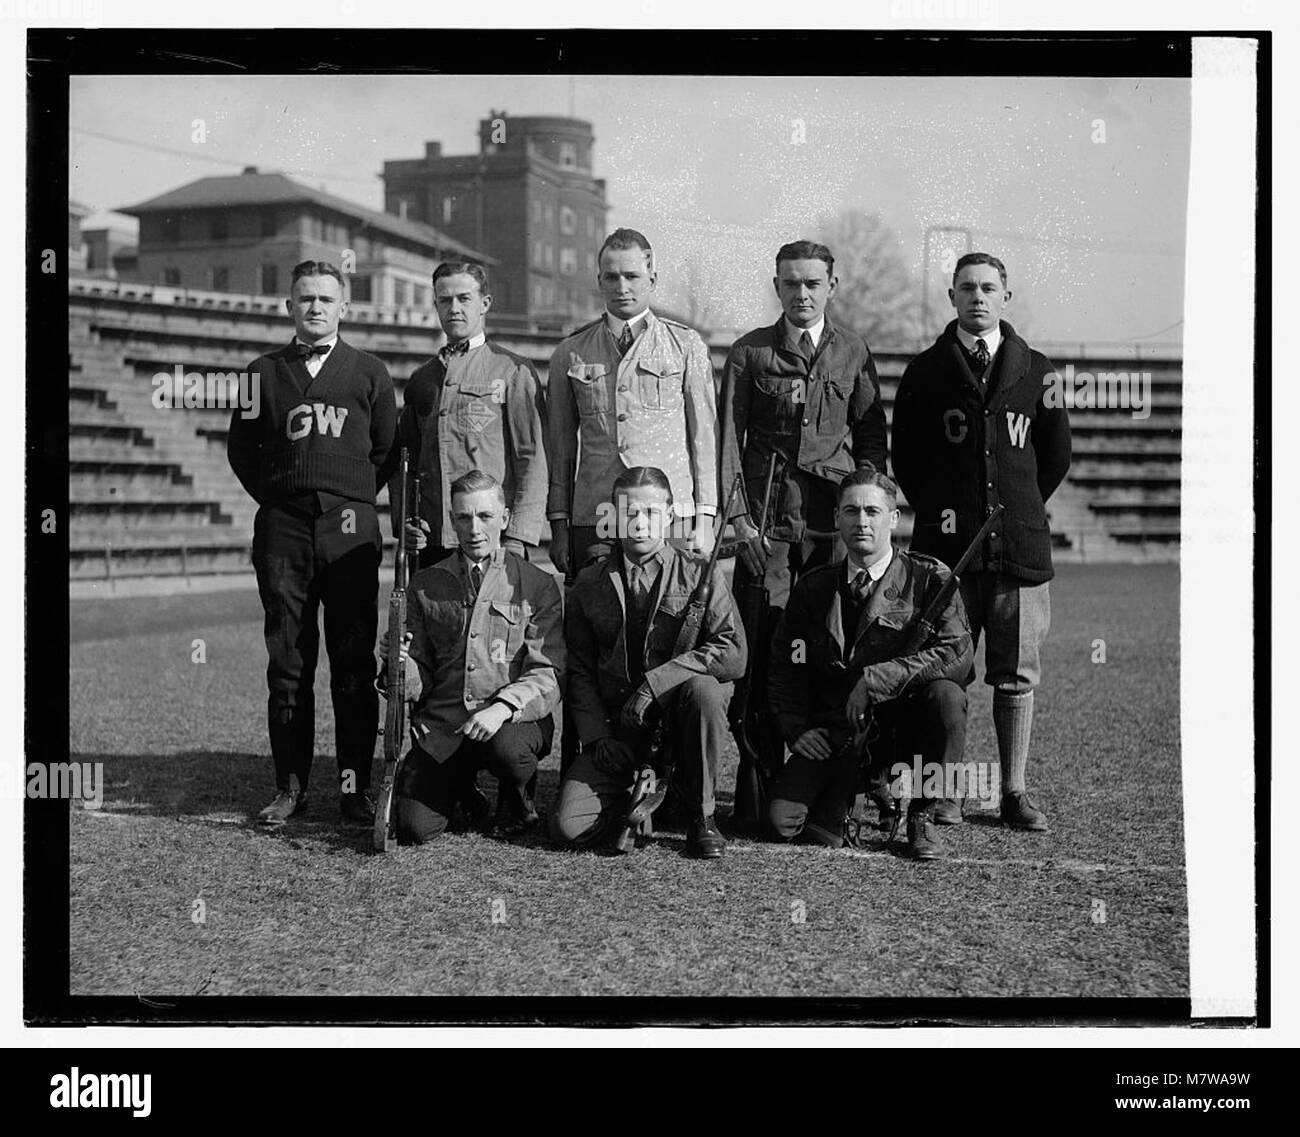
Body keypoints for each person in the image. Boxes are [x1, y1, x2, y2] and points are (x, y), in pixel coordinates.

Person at [891, 252, 1071, 832]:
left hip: (1019, 548)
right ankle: (946, 792)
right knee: (948, 670)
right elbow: (908, 461)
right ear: (952, 297)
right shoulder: (925, 371)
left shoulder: (1038, 370)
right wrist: (951, 515)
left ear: (1006, 297)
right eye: (967, 288)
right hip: (948, 554)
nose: (978, 297)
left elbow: (1056, 457)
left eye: (989, 288)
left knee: (1016, 673)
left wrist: (1014, 508)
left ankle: (1013, 791)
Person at [227, 259, 398, 827]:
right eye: (305, 299)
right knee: (288, 662)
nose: (316, 307)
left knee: (351, 660)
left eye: (327, 298)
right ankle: (291, 787)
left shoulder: (369, 373)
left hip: (349, 529)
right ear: (289, 307)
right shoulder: (260, 372)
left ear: (344, 306)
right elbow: (242, 454)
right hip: (283, 529)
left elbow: (384, 453)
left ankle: (353, 789)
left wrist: (343, 500)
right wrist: (284, 499)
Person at [766, 467, 973, 860]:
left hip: (907, 730)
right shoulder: (814, 588)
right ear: (836, 518)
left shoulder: (930, 579)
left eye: (873, 512)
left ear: (893, 519)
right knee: (783, 822)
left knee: (948, 697)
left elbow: (956, 653)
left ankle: (923, 814)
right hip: (841, 730)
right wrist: (797, 729)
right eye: (851, 511)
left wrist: (876, 680)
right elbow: (784, 667)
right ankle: (861, 792)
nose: (861, 521)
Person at [550, 467, 746, 859]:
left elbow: (733, 652)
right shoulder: (590, 583)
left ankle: (700, 815)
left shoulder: (697, 573)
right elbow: (581, 670)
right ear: (613, 515)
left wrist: (656, 683)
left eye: (651, 513)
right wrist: (597, 738)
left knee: (705, 688)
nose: (640, 524)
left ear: (671, 514)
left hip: (679, 726)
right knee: (567, 828)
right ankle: (641, 795)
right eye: (629, 512)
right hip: (620, 731)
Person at [382, 470, 563, 844]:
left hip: (509, 724)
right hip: (446, 727)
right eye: (463, 517)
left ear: (505, 519)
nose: (474, 528)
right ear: (452, 520)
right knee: (415, 828)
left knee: (509, 752)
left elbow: (548, 672)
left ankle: (517, 802)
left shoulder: (537, 584)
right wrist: (399, 663)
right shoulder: (425, 585)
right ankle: (465, 791)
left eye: (484, 516)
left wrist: (502, 707)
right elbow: (419, 679)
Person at [719, 239, 889, 610]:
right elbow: (728, 440)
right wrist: (741, 522)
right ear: (776, 285)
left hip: (832, 518)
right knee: (760, 628)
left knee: (830, 631)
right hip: (767, 520)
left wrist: (864, 501)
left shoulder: (853, 351)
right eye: (791, 283)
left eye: (812, 284)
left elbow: (871, 435)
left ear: (832, 286)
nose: (802, 294)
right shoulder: (750, 353)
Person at [545, 227, 719, 578]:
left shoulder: (685, 346)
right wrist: (560, 525)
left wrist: (704, 518)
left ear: (652, 279)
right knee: (600, 615)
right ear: (599, 281)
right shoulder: (571, 352)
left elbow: (705, 440)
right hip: (597, 513)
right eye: (612, 277)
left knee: (671, 614)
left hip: (668, 512)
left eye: (632, 276)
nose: (622, 287)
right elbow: (561, 449)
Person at [392, 261, 548, 569]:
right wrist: (405, 523)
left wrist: (519, 535)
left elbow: (533, 459)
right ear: (435, 304)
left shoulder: (513, 370)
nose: (454, 308)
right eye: (445, 300)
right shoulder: (423, 378)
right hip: (434, 540)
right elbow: (405, 462)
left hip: (494, 538)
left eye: (464, 298)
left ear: (485, 303)